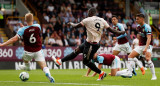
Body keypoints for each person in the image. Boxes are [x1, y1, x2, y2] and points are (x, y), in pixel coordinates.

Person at [52, 7, 125, 81]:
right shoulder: (102, 20)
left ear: (90, 13)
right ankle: (59, 62)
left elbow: (76, 26)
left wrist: (71, 23)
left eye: (88, 12)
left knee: (86, 61)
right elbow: (112, 30)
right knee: (77, 50)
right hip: (89, 42)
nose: (87, 14)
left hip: (91, 44)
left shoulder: (87, 20)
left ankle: (101, 73)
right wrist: (121, 32)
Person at [0, 13, 55, 83]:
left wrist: (3, 44)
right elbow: (31, 31)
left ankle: (27, 66)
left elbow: (14, 39)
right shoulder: (38, 26)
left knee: (24, 57)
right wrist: (24, 28)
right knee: (44, 66)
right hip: (38, 50)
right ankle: (48, 74)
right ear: (33, 19)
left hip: (28, 52)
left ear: (25, 20)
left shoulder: (22, 30)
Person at [121, 13, 157, 80]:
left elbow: (149, 39)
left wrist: (145, 48)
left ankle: (154, 76)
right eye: (136, 19)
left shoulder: (147, 27)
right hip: (141, 45)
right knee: (130, 56)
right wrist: (138, 47)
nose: (136, 20)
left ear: (142, 19)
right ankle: (129, 72)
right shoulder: (138, 27)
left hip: (148, 45)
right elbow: (140, 36)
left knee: (148, 59)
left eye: (137, 19)